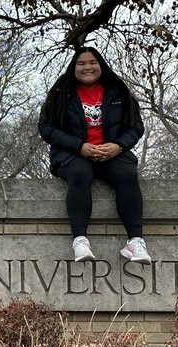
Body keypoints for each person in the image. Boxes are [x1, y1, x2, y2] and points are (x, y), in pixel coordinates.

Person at [38, 46, 151, 264]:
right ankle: (80, 240)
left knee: (128, 174)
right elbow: (46, 128)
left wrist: (118, 146)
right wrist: (80, 146)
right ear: (74, 67)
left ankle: (135, 241)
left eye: (92, 62)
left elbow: (136, 127)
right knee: (81, 173)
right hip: (72, 155)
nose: (87, 67)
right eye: (81, 63)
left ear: (100, 65)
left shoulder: (118, 90)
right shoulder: (61, 92)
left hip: (113, 154)